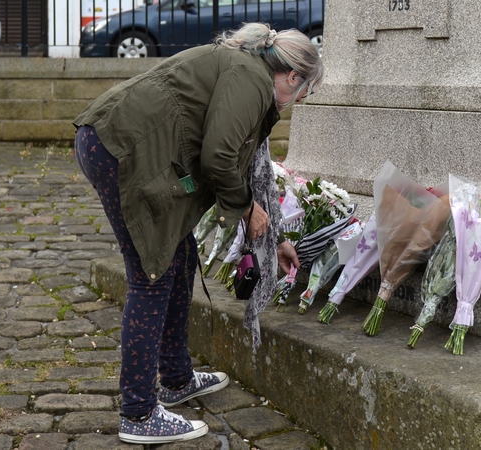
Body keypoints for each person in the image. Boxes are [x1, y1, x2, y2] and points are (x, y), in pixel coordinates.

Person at [72, 23, 322, 445]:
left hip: (122, 145)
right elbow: (221, 157)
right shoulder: (251, 80)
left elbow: (247, 166)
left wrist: (274, 235)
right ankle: (138, 413)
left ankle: (176, 377)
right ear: (293, 77)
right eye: (304, 93)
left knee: (181, 256)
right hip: (121, 149)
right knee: (152, 274)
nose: (299, 102)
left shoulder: (249, 73)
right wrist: (244, 209)